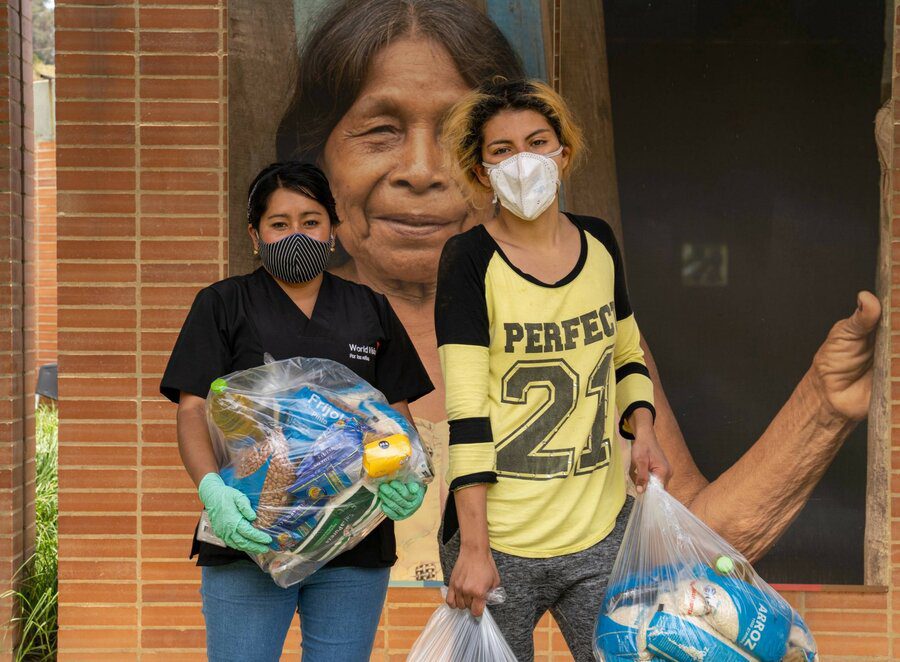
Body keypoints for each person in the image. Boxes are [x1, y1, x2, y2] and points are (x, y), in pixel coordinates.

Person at [275, 0, 879, 568]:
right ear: (318, 160)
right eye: (380, 131)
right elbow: (266, 553)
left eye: (454, 137)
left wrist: (823, 406)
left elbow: (688, 541)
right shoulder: (272, 339)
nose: (422, 172)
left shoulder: (586, 325)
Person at [435, 77, 672, 662]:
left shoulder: (600, 242)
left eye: (537, 142)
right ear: (480, 169)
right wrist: (472, 546)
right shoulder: (469, 259)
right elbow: (466, 411)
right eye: (501, 150)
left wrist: (643, 429)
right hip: (499, 540)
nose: (523, 161)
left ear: (563, 152)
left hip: (598, 534)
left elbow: (626, 353)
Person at [160, 162, 434, 661]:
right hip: (249, 532)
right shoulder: (223, 304)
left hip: (353, 533)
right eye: (279, 224)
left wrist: (409, 477)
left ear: (333, 230)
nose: (296, 234)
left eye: (310, 221)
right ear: (255, 235)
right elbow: (193, 408)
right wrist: (212, 491)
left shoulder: (368, 307)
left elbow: (395, 413)